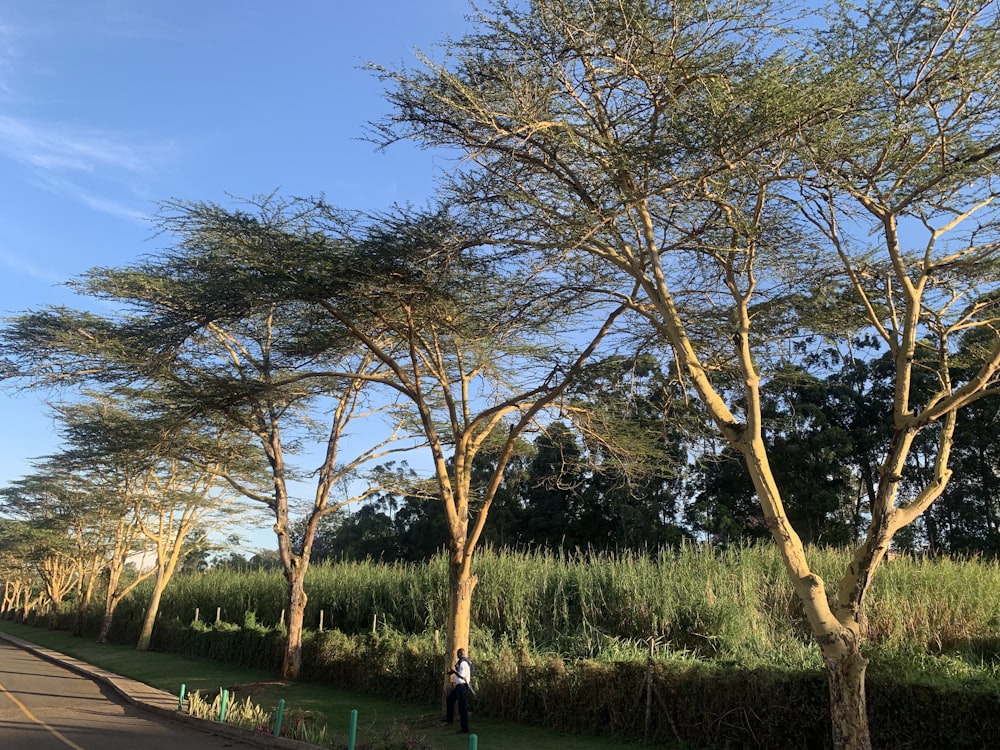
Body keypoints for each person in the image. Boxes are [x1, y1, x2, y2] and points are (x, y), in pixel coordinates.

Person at [443, 648, 472, 734]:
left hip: (462, 686)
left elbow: (462, 676)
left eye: (458, 653)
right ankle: (449, 719)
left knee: (462, 708)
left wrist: (454, 672)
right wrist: (453, 672)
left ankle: (465, 729)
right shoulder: (461, 662)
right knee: (450, 699)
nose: (457, 655)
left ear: (461, 654)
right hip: (459, 687)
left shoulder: (463, 663)